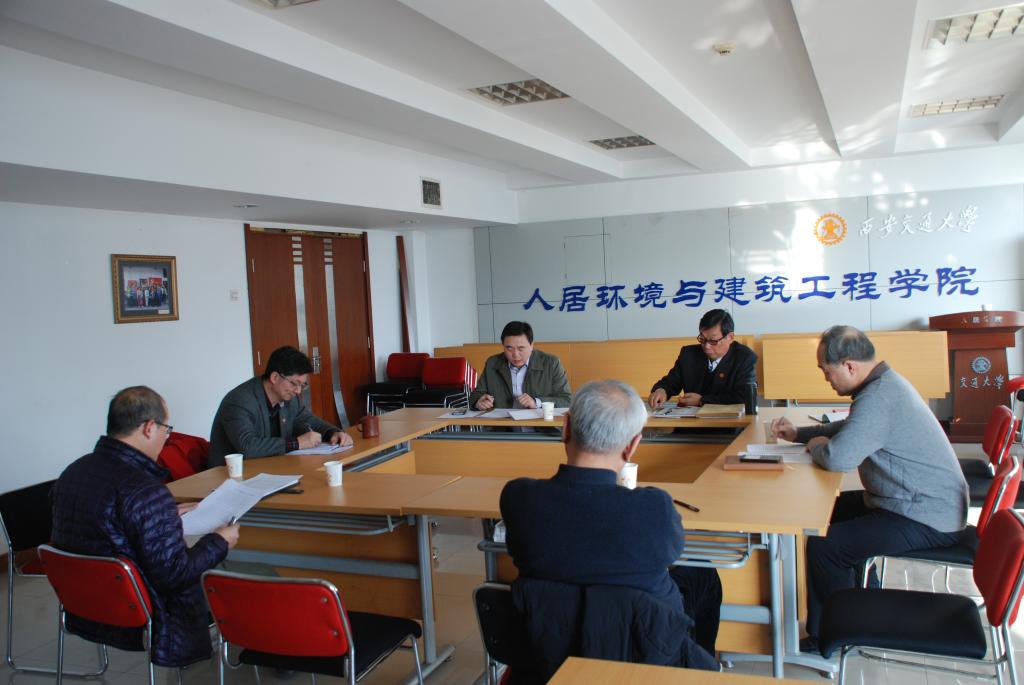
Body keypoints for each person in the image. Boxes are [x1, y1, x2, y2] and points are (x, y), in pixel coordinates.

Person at [769, 326, 968, 651]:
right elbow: (852, 427)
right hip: (911, 502)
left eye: (826, 371)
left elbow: (838, 459)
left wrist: (816, 446)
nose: (826, 379)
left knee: (825, 546)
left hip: (926, 514)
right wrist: (800, 434)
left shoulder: (879, 397)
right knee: (827, 512)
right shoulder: (883, 385)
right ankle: (862, 598)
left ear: (849, 366)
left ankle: (833, 634)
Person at [500, 380, 722, 665]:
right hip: (643, 647)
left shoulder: (519, 498)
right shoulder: (655, 508)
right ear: (632, 446)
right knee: (704, 574)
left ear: (565, 428)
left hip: (548, 647)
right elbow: (672, 552)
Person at [51, 386, 239, 668]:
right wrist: (220, 541)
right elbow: (175, 574)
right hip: (149, 616)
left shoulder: (73, 472)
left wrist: (163, 515)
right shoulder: (145, 490)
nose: (167, 437)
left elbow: (106, 528)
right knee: (234, 590)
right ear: (149, 428)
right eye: (166, 430)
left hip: (84, 606)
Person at [209, 346, 353, 466]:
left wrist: (332, 433)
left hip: (269, 470)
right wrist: (296, 443)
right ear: (275, 377)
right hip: (230, 477)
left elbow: (309, 420)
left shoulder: (289, 398)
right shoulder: (240, 401)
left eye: (302, 385)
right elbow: (248, 447)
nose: (298, 391)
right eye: (294, 383)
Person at [648, 308, 757, 409]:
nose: (706, 346)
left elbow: (744, 396)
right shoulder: (688, 354)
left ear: (730, 337)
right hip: (692, 421)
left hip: (729, 422)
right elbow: (670, 382)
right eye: (702, 339)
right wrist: (661, 390)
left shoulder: (745, 358)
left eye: (713, 341)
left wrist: (702, 400)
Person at [469, 321, 572, 410]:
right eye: (509, 348)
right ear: (503, 346)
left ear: (532, 345)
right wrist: (479, 402)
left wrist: (536, 402)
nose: (515, 354)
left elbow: (566, 400)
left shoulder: (551, 363)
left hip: (539, 425)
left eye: (521, 348)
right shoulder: (492, 363)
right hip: (502, 425)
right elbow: (476, 395)